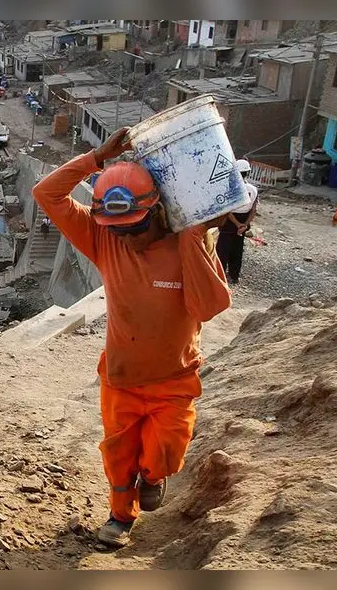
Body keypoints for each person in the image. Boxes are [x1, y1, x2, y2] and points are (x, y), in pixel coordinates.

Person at [31, 127, 233, 549]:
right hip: (121, 379)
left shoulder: (187, 243)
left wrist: (198, 236)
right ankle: (120, 518)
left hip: (173, 382)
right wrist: (95, 159)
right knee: (118, 460)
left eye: (135, 227)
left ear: (157, 210)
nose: (127, 237)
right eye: (118, 229)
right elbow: (46, 194)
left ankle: (155, 474)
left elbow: (210, 307)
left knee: (167, 451)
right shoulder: (105, 239)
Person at [216, 159, 259, 284]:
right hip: (244, 221)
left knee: (222, 249)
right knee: (237, 249)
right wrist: (244, 225)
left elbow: (227, 210)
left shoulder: (229, 187)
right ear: (248, 173)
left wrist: (237, 224)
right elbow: (254, 210)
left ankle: (220, 275)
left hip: (230, 221)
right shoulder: (253, 189)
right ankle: (234, 276)